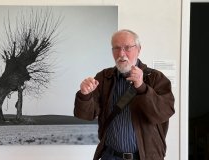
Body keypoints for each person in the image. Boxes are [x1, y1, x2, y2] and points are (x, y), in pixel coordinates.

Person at [74, 29, 175, 160]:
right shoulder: (104, 77)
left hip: (145, 157)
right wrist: (84, 95)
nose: (121, 53)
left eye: (127, 48)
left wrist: (141, 87)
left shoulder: (155, 78)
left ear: (138, 49)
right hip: (110, 156)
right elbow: (86, 115)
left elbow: (163, 113)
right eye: (116, 48)